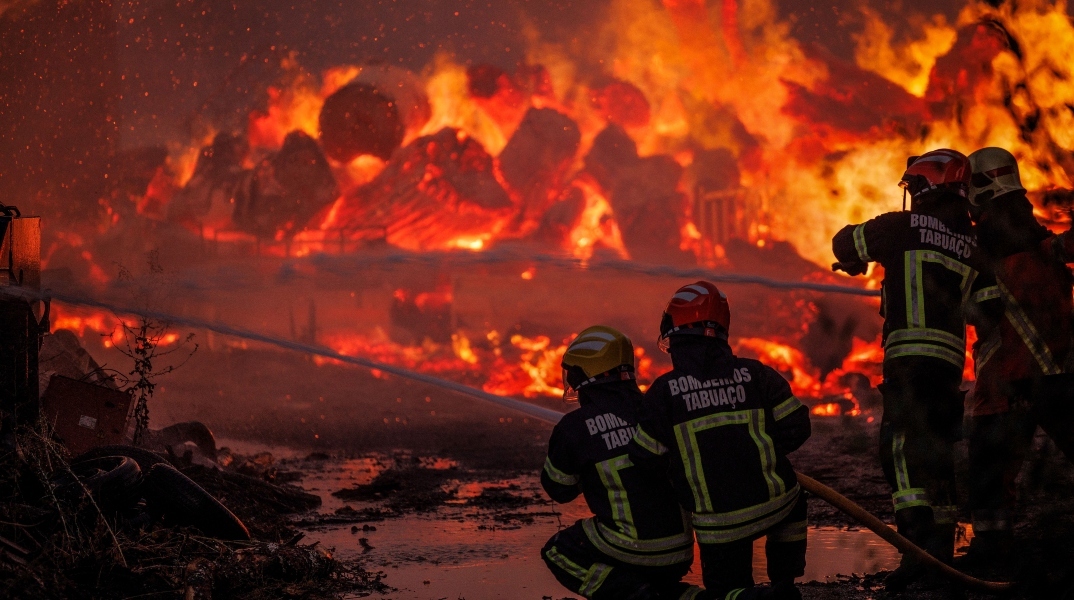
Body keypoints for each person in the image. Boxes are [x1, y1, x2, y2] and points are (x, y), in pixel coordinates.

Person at [831, 149, 1000, 589]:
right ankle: (941, 556)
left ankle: (918, 559)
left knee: (902, 455)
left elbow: (844, 242)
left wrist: (857, 260)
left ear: (925, 187)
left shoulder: (900, 227)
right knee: (939, 457)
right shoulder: (974, 244)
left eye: (914, 186)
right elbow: (988, 311)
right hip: (948, 367)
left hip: (909, 362)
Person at [630, 282, 811, 600]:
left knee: (725, 592)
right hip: (777, 503)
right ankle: (784, 582)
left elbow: (646, 458)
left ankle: (745, 596)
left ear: (675, 338)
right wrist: (759, 453)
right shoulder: (756, 374)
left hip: (719, 522)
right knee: (794, 502)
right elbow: (798, 426)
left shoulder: (664, 392)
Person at [963, 147, 1074, 562]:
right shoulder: (1041, 240)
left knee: (990, 466)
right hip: (1060, 372)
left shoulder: (981, 245)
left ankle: (992, 549)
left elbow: (976, 307)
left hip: (1006, 378)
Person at [541, 325, 702, 600]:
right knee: (660, 587)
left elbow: (559, 490)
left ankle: (632, 594)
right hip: (679, 551)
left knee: (558, 550)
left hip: (632, 548)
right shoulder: (657, 408)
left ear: (585, 374)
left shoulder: (576, 427)